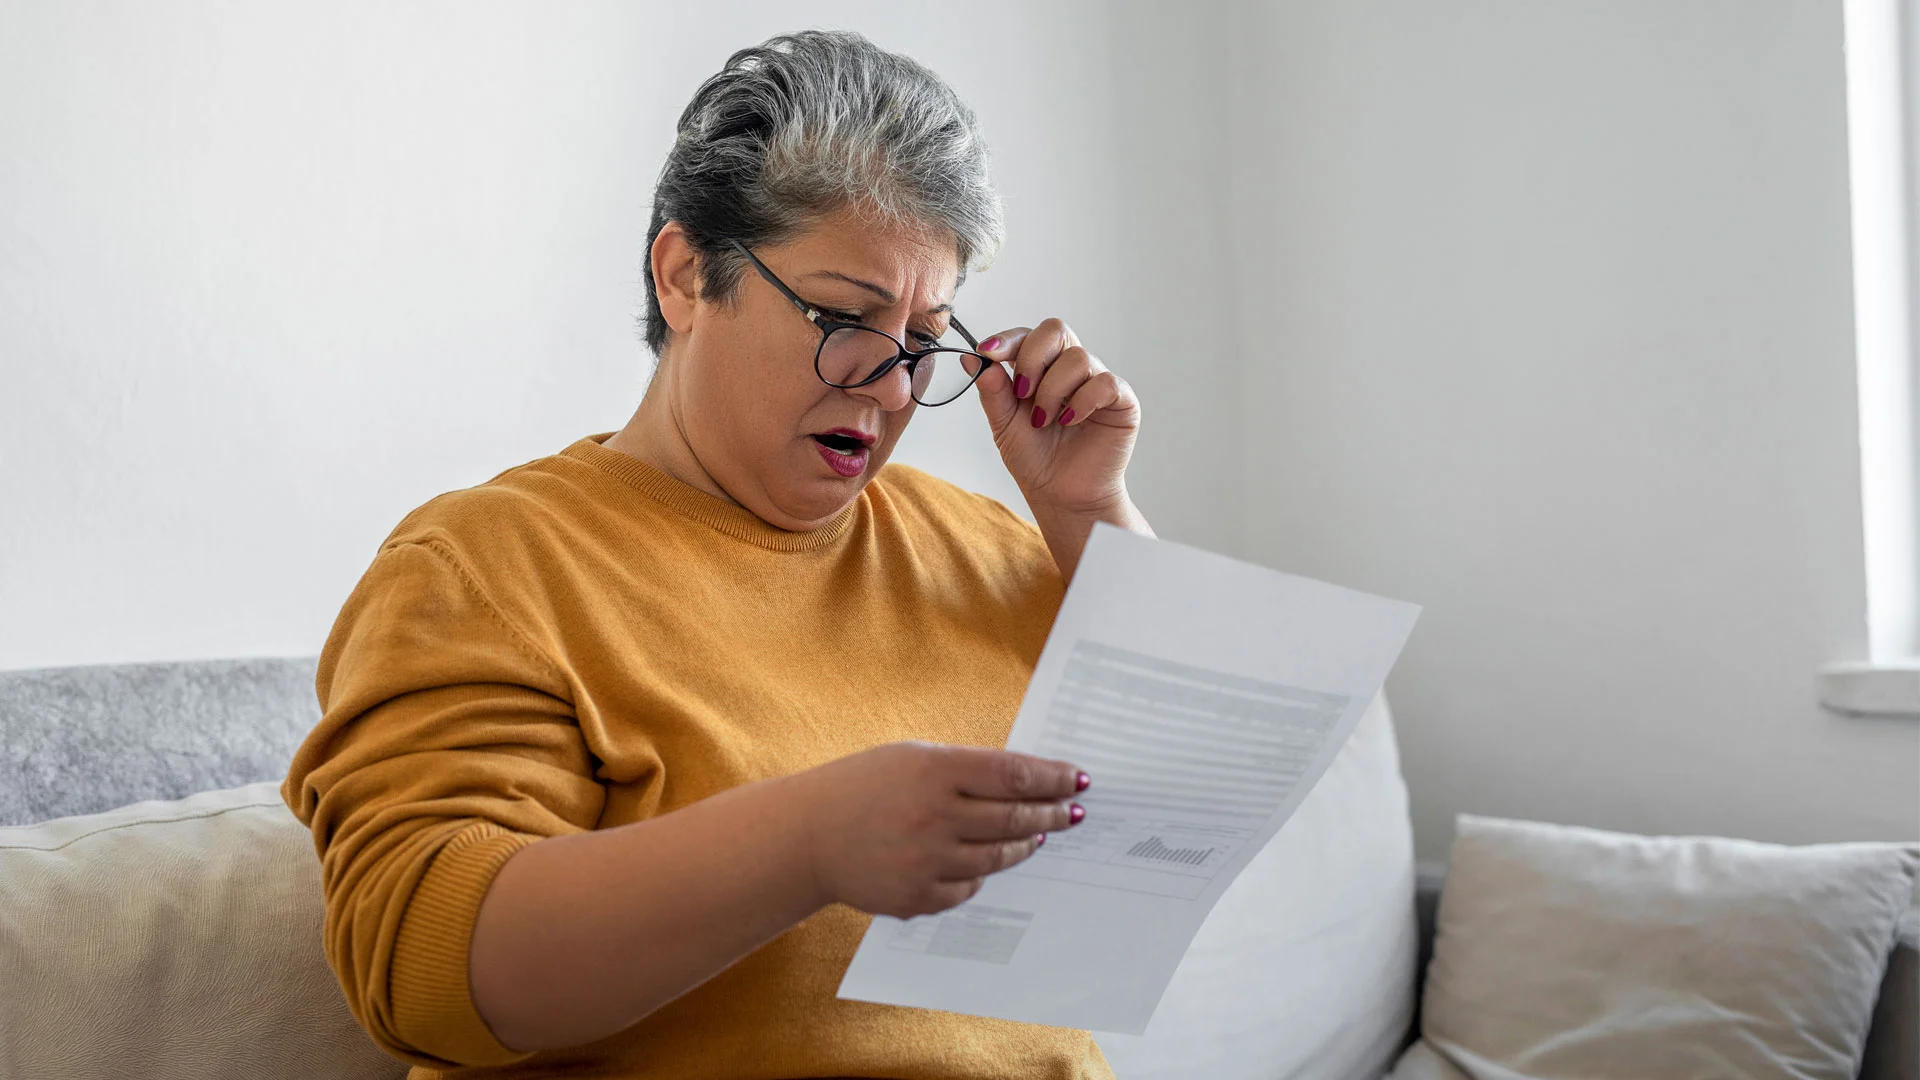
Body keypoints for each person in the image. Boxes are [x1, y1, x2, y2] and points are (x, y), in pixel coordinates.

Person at [282, 28, 1152, 1080]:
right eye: (845, 316)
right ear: (687, 275)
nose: (891, 385)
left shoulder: (983, 545)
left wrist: (1089, 512)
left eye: (927, 339)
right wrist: (811, 842)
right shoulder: (489, 565)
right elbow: (421, 977)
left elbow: (1182, 815)